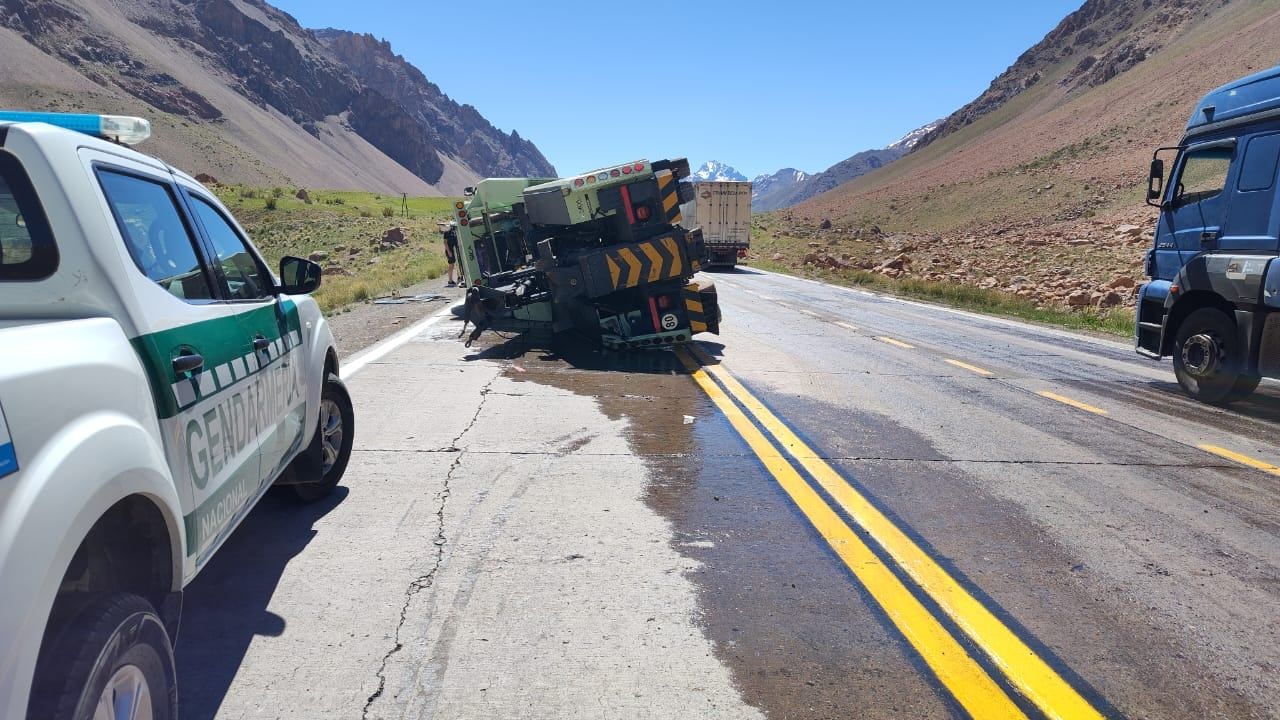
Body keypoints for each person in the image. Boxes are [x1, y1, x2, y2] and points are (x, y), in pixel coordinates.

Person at [441, 222, 460, 287]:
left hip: (456, 250)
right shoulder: (447, 232)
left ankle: (459, 277)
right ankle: (450, 280)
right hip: (450, 250)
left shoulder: (455, 231)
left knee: (458, 264)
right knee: (451, 265)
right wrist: (449, 252)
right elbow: (445, 242)